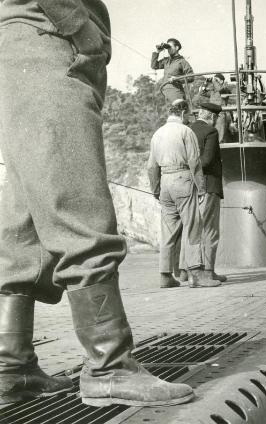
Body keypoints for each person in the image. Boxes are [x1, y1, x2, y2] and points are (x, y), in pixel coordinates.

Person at [0, 1, 193, 407]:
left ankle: (10, 367)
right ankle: (110, 366)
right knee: (78, 199)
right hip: (48, 38)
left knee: (26, 220)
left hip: (23, 42)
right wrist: (80, 28)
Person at [147, 100, 214, 288]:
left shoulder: (157, 134)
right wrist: (201, 187)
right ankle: (196, 274)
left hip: (165, 182)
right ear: (183, 113)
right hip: (183, 179)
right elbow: (194, 161)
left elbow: (151, 166)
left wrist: (156, 189)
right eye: (188, 115)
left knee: (168, 231)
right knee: (193, 226)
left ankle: (165, 275)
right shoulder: (186, 131)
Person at [190, 103, 227, 285]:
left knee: (194, 229)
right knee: (211, 230)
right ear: (212, 116)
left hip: (191, 186)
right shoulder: (211, 132)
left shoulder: (188, 129)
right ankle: (209, 271)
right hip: (209, 185)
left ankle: (187, 272)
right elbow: (207, 160)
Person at [151, 37, 194, 104]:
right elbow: (154, 66)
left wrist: (177, 79)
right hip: (165, 93)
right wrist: (157, 52)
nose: (168, 49)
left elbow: (191, 77)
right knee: (171, 114)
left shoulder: (182, 62)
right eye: (167, 47)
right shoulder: (166, 61)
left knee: (180, 112)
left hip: (176, 93)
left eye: (170, 47)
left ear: (176, 48)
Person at [193, 74, 234, 143]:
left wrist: (214, 81)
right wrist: (205, 83)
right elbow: (201, 92)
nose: (214, 81)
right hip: (211, 113)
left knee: (219, 135)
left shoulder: (225, 89)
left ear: (221, 81)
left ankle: (219, 144)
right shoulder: (213, 91)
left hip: (220, 114)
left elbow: (220, 89)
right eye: (214, 80)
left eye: (216, 80)